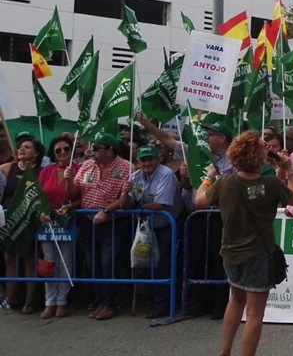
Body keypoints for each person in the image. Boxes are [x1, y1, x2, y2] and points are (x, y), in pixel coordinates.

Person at [195, 131, 293, 356]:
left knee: (235, 300)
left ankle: (223, 354)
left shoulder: (226, 183)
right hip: (259, 255)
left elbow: (199, 200)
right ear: (259, 157)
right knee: (254, 314)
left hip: (230, 253)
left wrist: (208, 176)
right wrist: (288, 171)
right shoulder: (270, 184)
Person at [67, 132, 133, 321]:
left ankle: (111, 303)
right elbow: (74, 193)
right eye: (93, 148)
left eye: (97, 148)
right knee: (92, 263)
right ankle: (100, 300)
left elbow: (124, 199)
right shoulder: (87, 165)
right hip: (88, 221)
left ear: (110, 150)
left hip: (113, 222)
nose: (93, 152)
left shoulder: (126, 167)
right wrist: (68, 180)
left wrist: (106, 210)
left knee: (108, 262)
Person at [125, 145, 184, 318]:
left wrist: (138, 208)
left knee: (163, 265)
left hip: (168, 225)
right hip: (147, 227)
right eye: (143, 159)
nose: (147, 162)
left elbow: (160, 204)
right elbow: (125, 205)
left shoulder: (166, 174)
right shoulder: (134, 177)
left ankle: (164, 304)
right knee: (146, 262)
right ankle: (152, 300)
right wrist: (124, 193)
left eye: (150, 158)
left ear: (157, 159)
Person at [2, 135, 45, 313]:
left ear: (35, 154)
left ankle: (30, 300)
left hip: (29, 222)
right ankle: (11, 299)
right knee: (9, 259)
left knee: (29, 261)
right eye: (21, 146)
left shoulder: (41, 171)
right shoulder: (6, 168)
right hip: (9, 221)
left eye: (27, 147)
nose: (22, 149)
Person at [37, 136, 77, 318]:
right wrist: (40, 213)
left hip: (68, 221)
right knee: (49, 262)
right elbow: (37, 195)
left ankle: (62, 301)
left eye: (66, 149)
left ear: (71, 150)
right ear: (52, 153)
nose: (62, 153)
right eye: (58, 150)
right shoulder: (46, 171)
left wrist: (71, 206)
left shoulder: (78, 169)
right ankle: (49, 302)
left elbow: (81, 197)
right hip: (47, 222)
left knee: (65, 261)